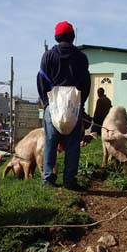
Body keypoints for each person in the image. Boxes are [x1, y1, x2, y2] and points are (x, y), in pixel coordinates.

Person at [37, 21, 91, 190]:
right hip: (73, 108)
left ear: (56, 36)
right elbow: (86, 84)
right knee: (73, 145)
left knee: (50, 143)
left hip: (52, 107)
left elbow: (41, 81)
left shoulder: (48, 56)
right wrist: (79, 104)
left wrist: (47, 103)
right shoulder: (81, 58)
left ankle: (48, 179)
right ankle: (69, 180)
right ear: (73, 37)